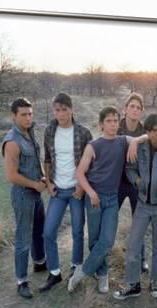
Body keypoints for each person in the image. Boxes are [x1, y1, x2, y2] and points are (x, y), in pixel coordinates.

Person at [68, 106, 147, 294]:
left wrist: (135, 142)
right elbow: (79, 173)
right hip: (94, 198)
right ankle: (103, 275)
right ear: (101, 124)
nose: (112, 124)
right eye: (108, 121)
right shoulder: (93, 146)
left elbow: (144, 137)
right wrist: (91, 193)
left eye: (115, 120)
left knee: (107, 241)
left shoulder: (122, 141)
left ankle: (82, 271)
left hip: (112, 199)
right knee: (94, 240)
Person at [113, 114, 157, 300]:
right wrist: (137, 180)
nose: (152, 135)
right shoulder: (141, 149)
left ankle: (154, 283)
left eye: (155, 131)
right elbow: (130, 169)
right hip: (143, 206)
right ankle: (132, 284)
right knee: (133, 245)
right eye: (149, 131)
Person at [40, 93, 93, 293]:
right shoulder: (49, 131)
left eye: (64, 109)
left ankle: (76, 266)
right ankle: (54, 272)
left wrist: (81, 186)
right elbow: (46, 159)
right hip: (58, 190)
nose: (60, 113)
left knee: (78, 231)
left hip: (76, 190)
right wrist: (49, 182)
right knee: (48, 232)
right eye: (57, 109)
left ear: (71, 109)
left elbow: (91, 163)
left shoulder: (83, 132)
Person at [2, 98, 47, 299]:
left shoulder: (30, 133)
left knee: (39, 230)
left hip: (36, 192)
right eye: (23, 114)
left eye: (30, 113)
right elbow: (11, 176)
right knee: (23, 237)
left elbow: (34, 161)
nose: (28, 117)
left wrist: (43, 178)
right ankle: (22, 281)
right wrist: (34, 184)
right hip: (23, 194)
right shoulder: (12, 141)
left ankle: (39, 263)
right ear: (14, 116)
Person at [117, 92, 149, 273]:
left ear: (141, 112)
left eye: (138, 107)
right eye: (132, 106)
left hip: (136, 183)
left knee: (140, 221)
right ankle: (102, 256)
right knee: (109, 219)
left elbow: (151, 141)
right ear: (125, 110)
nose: (135, 110)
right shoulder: (116, 126)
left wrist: (138, 140)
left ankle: (141, 258)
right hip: (117, 183)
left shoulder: (144, 131)